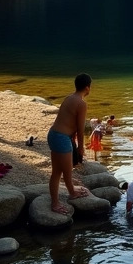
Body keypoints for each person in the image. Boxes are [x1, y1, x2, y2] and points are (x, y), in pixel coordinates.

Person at [48, 74, 93, 215]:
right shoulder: (81, 103)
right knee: (63, 172)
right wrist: (81, 147)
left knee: (57, 171)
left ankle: (70, 192)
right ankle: (58, 202)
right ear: (87, 87)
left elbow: (69, 122)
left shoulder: (69, 98)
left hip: (54, 134)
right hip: (61, 138)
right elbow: (80, 129)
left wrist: (73, 142)